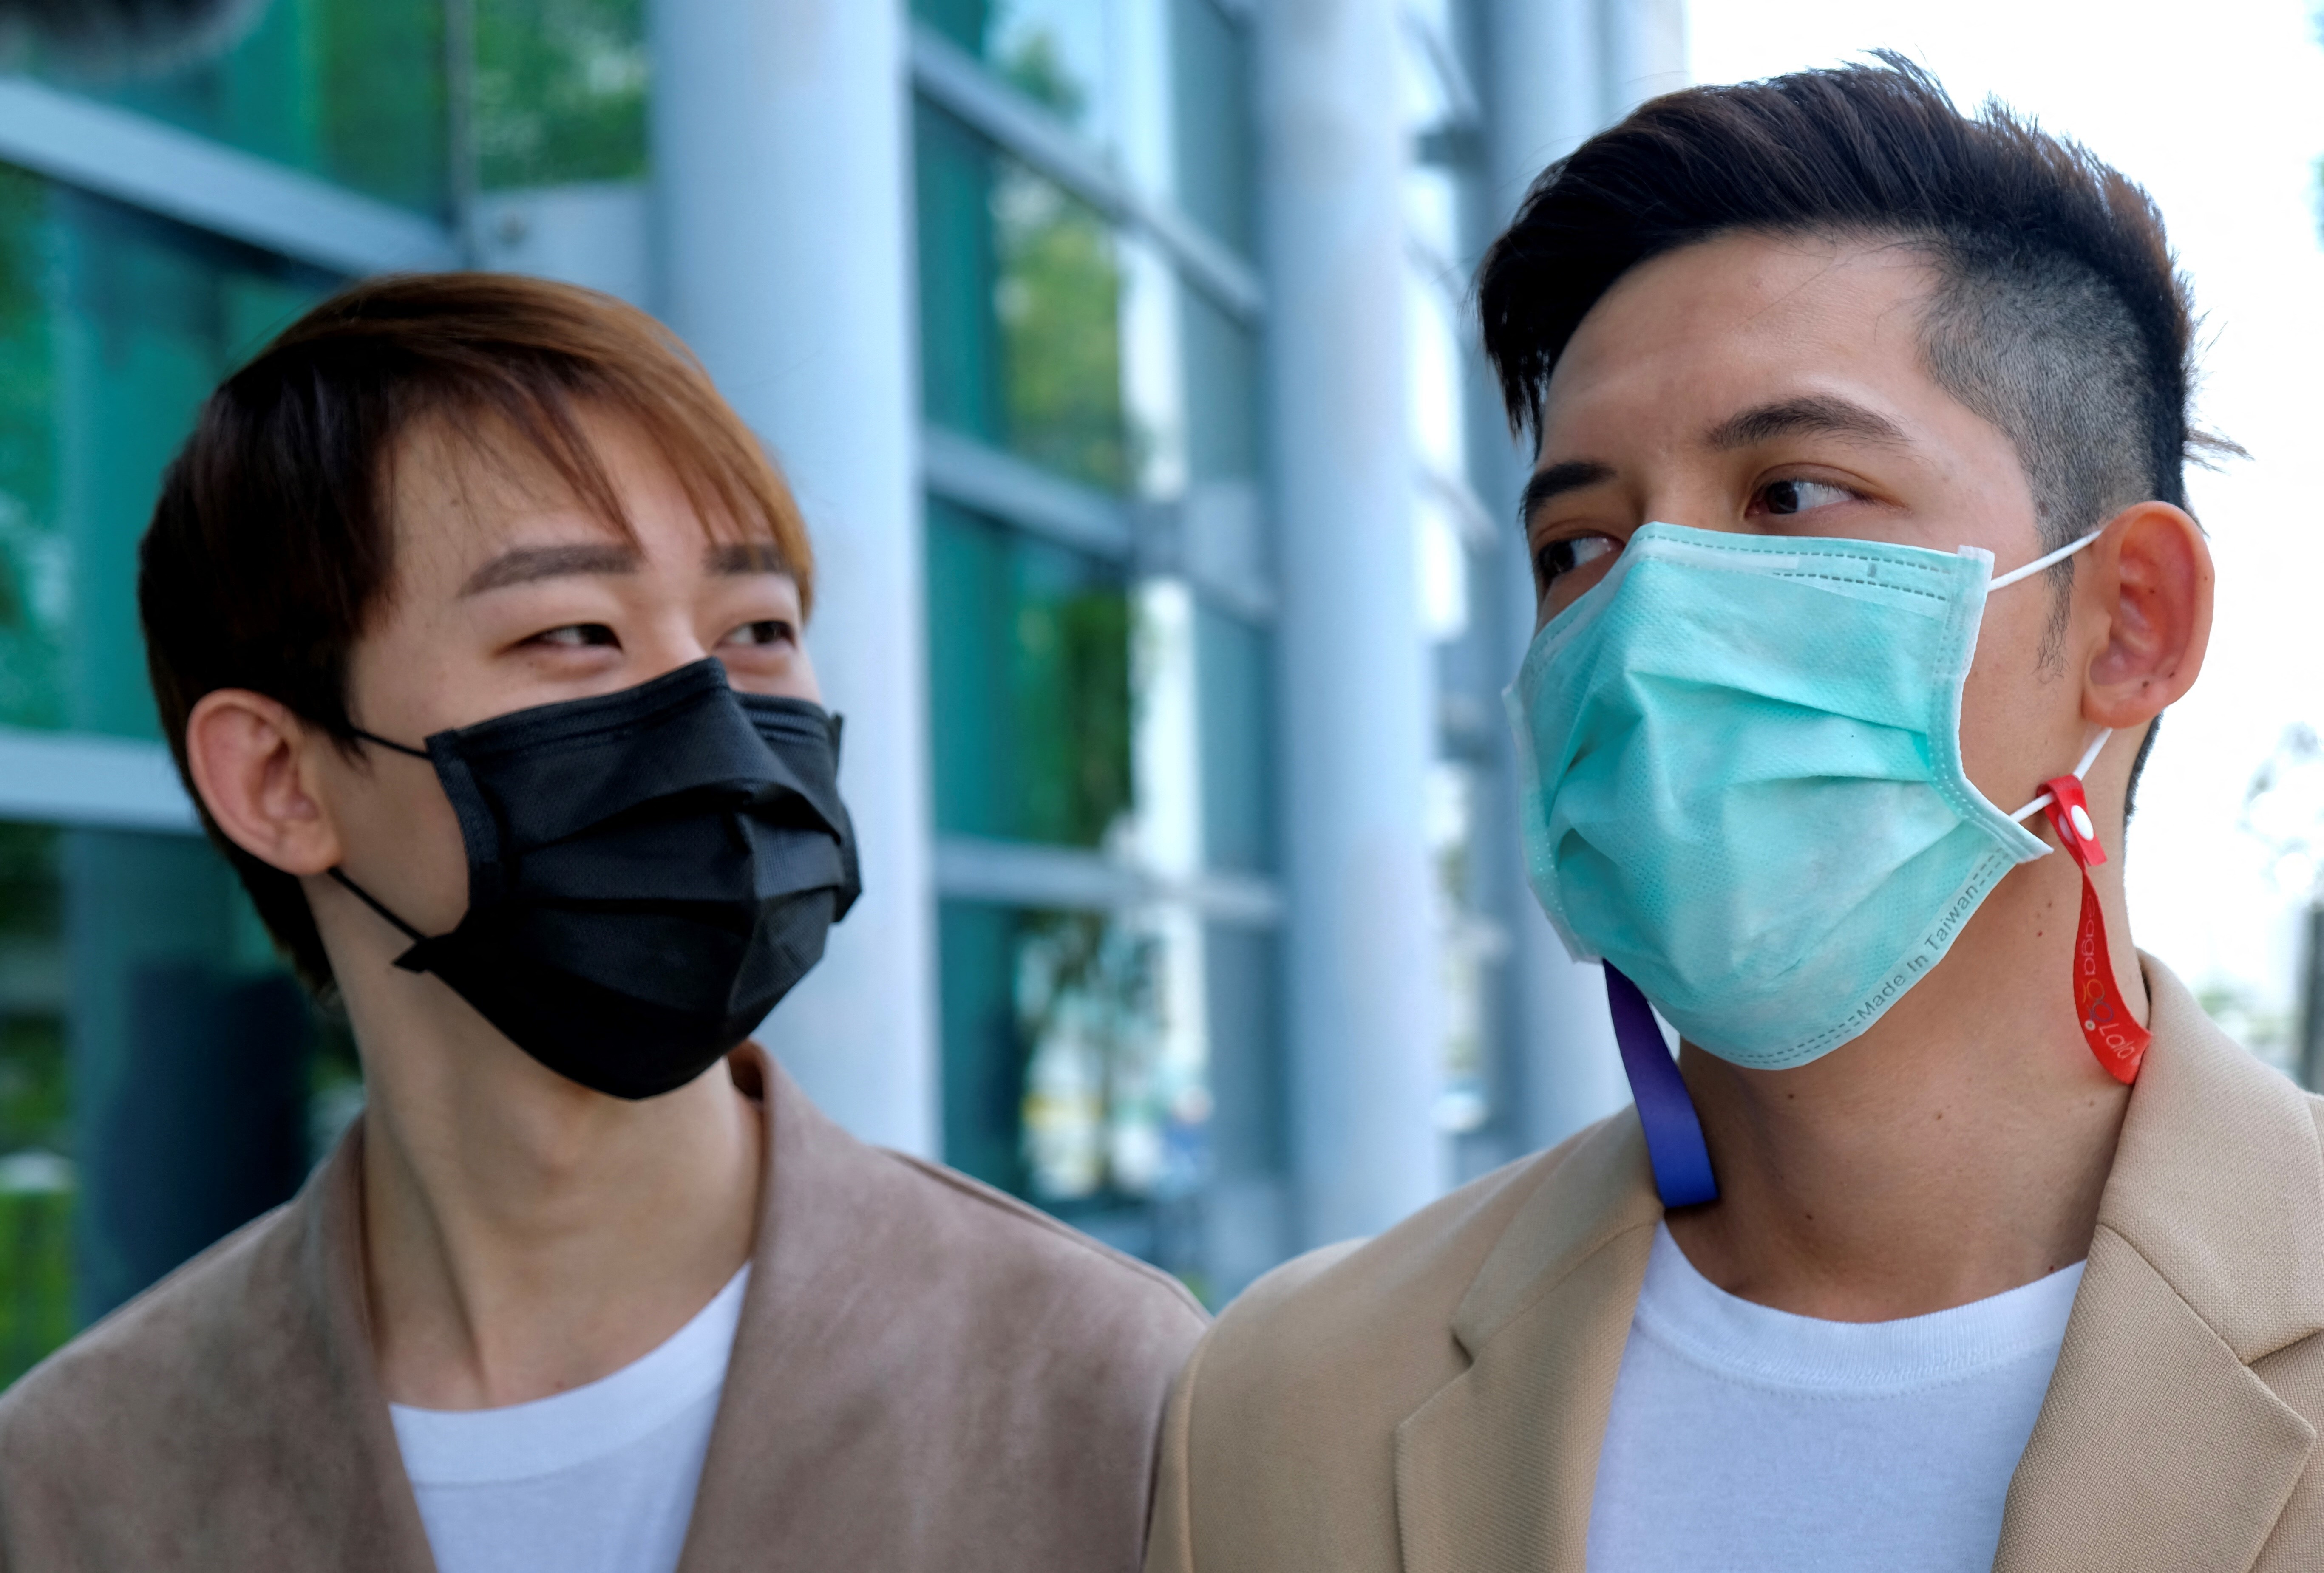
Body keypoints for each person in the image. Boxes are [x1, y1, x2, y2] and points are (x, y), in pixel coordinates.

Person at [1145, 59, 2322, 1573]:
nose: (1644, 627)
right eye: (1578, 547)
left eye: (1791, 495)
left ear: (2128, 621)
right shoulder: (1279, 1399)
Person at [0, 273, 1205, 1572]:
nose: (718, 729)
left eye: (757, 630)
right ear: (281, 781)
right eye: (575, 631)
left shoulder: (1112, 1391)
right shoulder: (75, 1488)